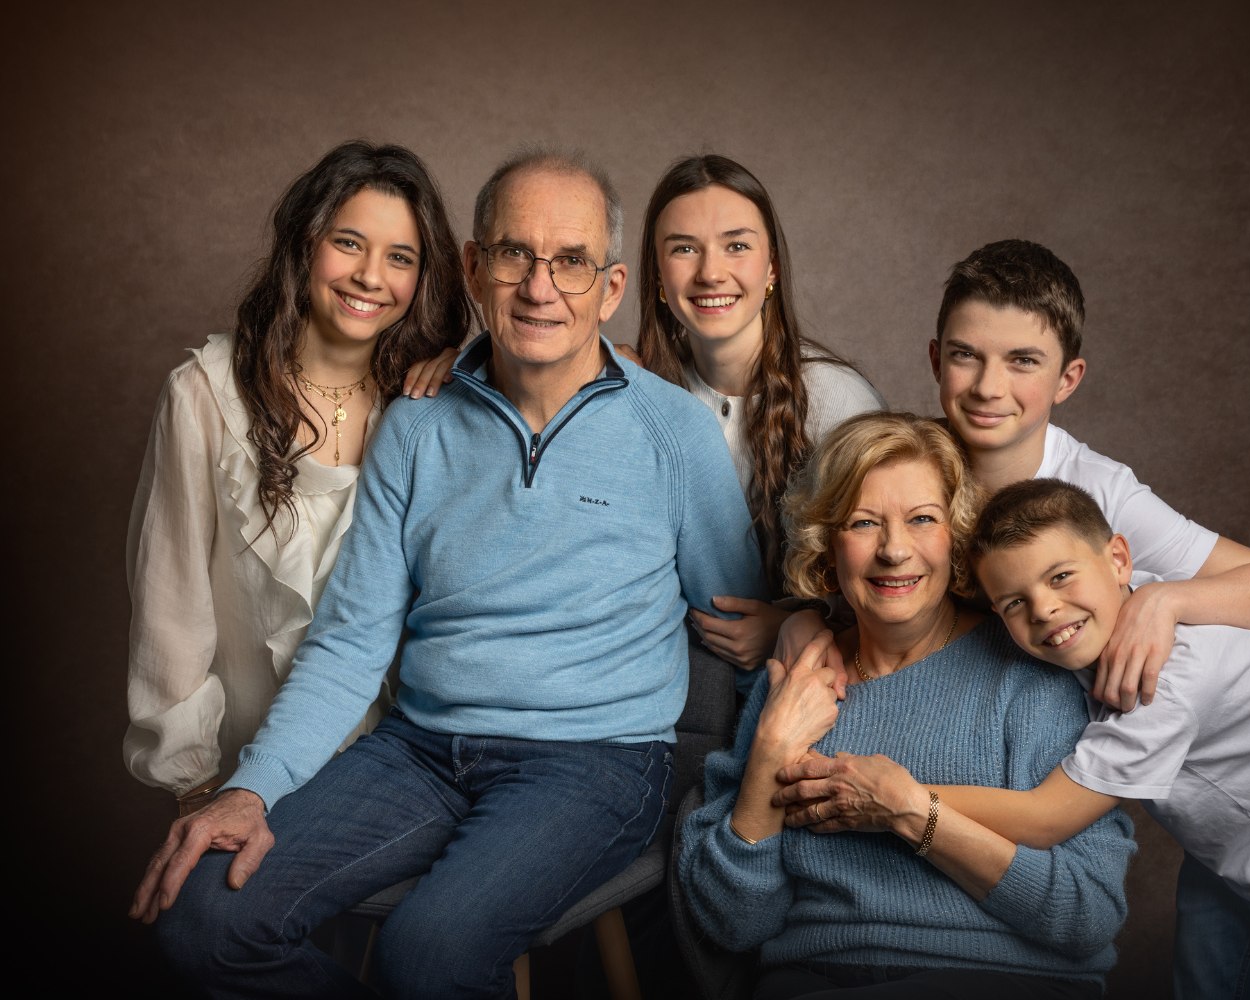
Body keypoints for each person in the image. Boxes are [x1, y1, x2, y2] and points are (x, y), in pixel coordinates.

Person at [129, 148, 766, 999]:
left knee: (427, 956)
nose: (540, 288)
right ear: (472, 267)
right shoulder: (416, 426)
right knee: (203, 917)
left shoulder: (674, 432)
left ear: (612, 288)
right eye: (514, 254)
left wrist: (782, 671)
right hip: (419, 751)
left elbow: (741, 621)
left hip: (595, 764)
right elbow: (349, 643)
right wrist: (250, 788)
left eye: (571, 262)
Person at [677, 412, 1135, 1000]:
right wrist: (769, 752)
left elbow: (1087, 914)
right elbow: (733, 924)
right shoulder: (794, 681)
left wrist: (914, 816)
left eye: (922, 519)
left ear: (957, 536)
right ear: (828, 545)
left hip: (999, 982)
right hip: (815, 981)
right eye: (863, 523)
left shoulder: (1031, 673)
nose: (894, 550)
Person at [779, 238, 1250, 712]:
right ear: (936, 360)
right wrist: (803, 620)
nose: (988, 388)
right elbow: (862, 570)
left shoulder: (1099, 490)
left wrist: (1164, 600)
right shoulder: (907, 462)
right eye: (966, 355)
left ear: (1067, 379)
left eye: (1023, 361)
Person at [938, 477, 1250, 999]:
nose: (1044, 609)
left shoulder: (1166, 684)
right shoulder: (1113, 600)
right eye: (1014, 603)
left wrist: (903, 798)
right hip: (1237, 832)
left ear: (1119, 560)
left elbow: (1045, 818)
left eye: (1061, 577)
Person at [124, 139, 471, 817]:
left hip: (403, 772)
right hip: (244, 771)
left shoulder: (431, 405)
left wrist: (472, 363)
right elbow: (171, 605)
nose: (370, 277)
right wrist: (193, 782)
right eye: (349, 243)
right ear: (305, 243)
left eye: (400, 257)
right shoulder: (205, 394)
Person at [636, 154, 884, 691]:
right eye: (684, 248)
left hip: (816, 669)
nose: (710, 272)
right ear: (657, 276)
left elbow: (887, 560)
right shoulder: (641, 393)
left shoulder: (836, 400)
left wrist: (792, 623)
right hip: (678, 670)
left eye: (737, 246)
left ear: (771, 269)